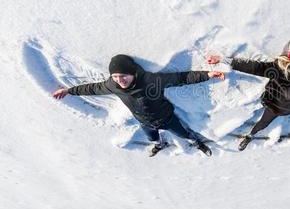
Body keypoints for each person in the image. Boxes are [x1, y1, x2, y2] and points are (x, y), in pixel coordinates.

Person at [53, 54, 225, 157]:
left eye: (123, 76)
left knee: (183, 132)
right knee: (152, 137)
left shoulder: (152, 81)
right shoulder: (113, 85)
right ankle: (159, 144)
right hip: (144, 122)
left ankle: (196, 142)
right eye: (115, 77)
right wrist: (69, 91)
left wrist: (208, 74)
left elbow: (181, 78)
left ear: (133, 73)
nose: (120, 81)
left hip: (167, 119)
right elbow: (93, 88)